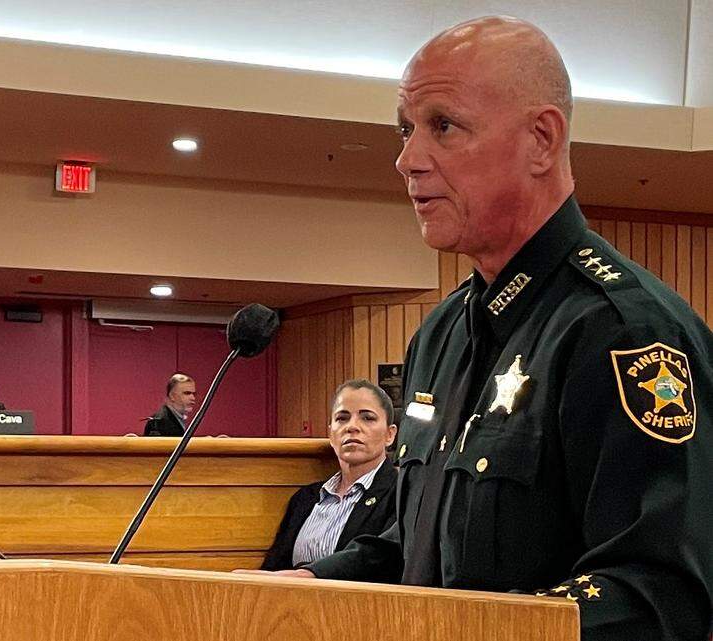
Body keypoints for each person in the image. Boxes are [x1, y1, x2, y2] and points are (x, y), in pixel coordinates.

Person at [241, 16, 713, 641]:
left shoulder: (625, 333)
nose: (407, 160)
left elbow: (659, 593)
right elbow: (416, 548)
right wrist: (314, 584)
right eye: (407, 130)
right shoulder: (440, 334)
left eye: (443, 126)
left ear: (542, 140)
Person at [260, 380, 397, 571]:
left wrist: (310, 575)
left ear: (390, 435)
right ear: (330, 434)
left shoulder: (401, 494)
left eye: (367, 418)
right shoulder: (305, 498)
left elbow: (383, 560)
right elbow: (274, 567)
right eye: (342, 418)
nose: (352, 427)